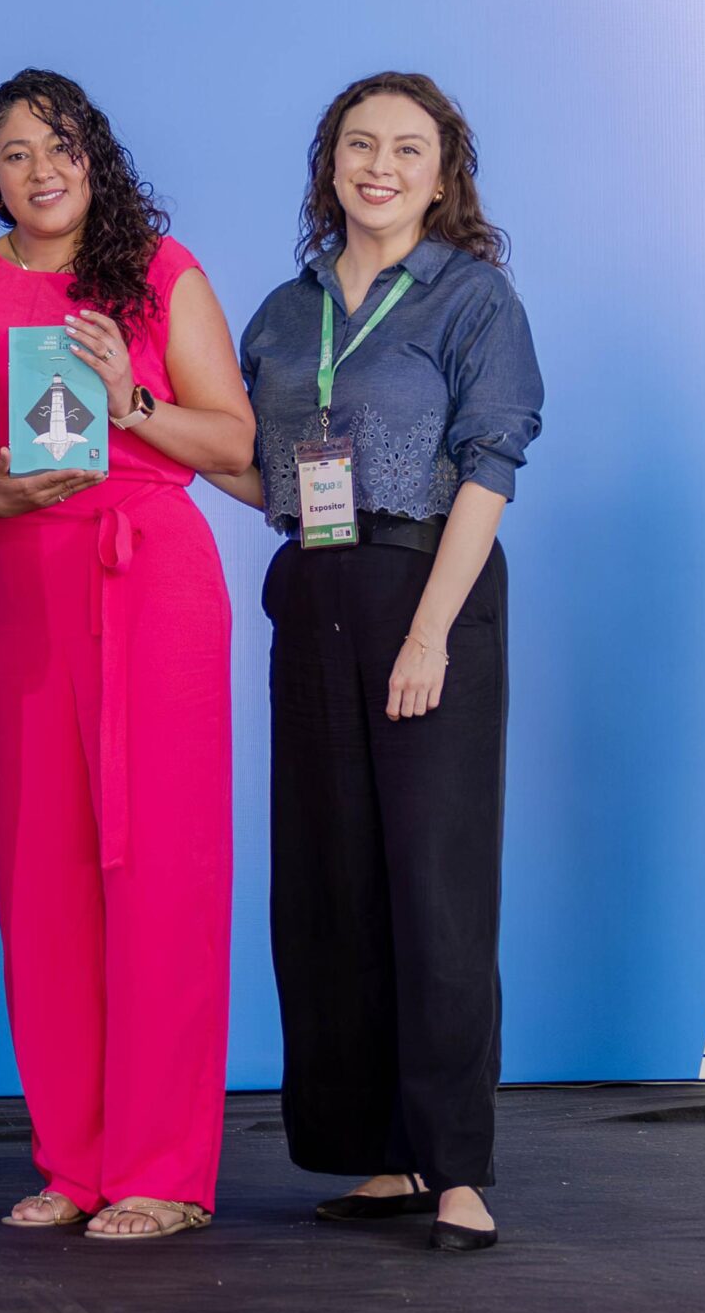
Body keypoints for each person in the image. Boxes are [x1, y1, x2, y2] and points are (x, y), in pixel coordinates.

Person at [0, 69, 255, 1242]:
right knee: (43, 873)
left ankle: (161, 1168)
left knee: (159, 868)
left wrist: (130, 399)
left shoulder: (159, 271)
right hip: (22, 581)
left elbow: (236, 444)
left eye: (58, 145)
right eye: (13, 153)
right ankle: (72, 1156)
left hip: (149, 574)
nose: (39, 169)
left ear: (93, 154)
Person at [211, 71, 542, 1253]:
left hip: (425, 587)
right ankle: (382, 1154)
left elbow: (490, 464)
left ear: (441, 173)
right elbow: (261, 473)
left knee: (434, 886)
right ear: (330, 164)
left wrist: (428, 631)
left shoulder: (471, 296)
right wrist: (141, 412)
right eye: (360, 144)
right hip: (312, 590)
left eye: (407, 147)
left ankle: (456, 1169)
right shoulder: (281, 310)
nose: (380, 166)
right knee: (331, 883)